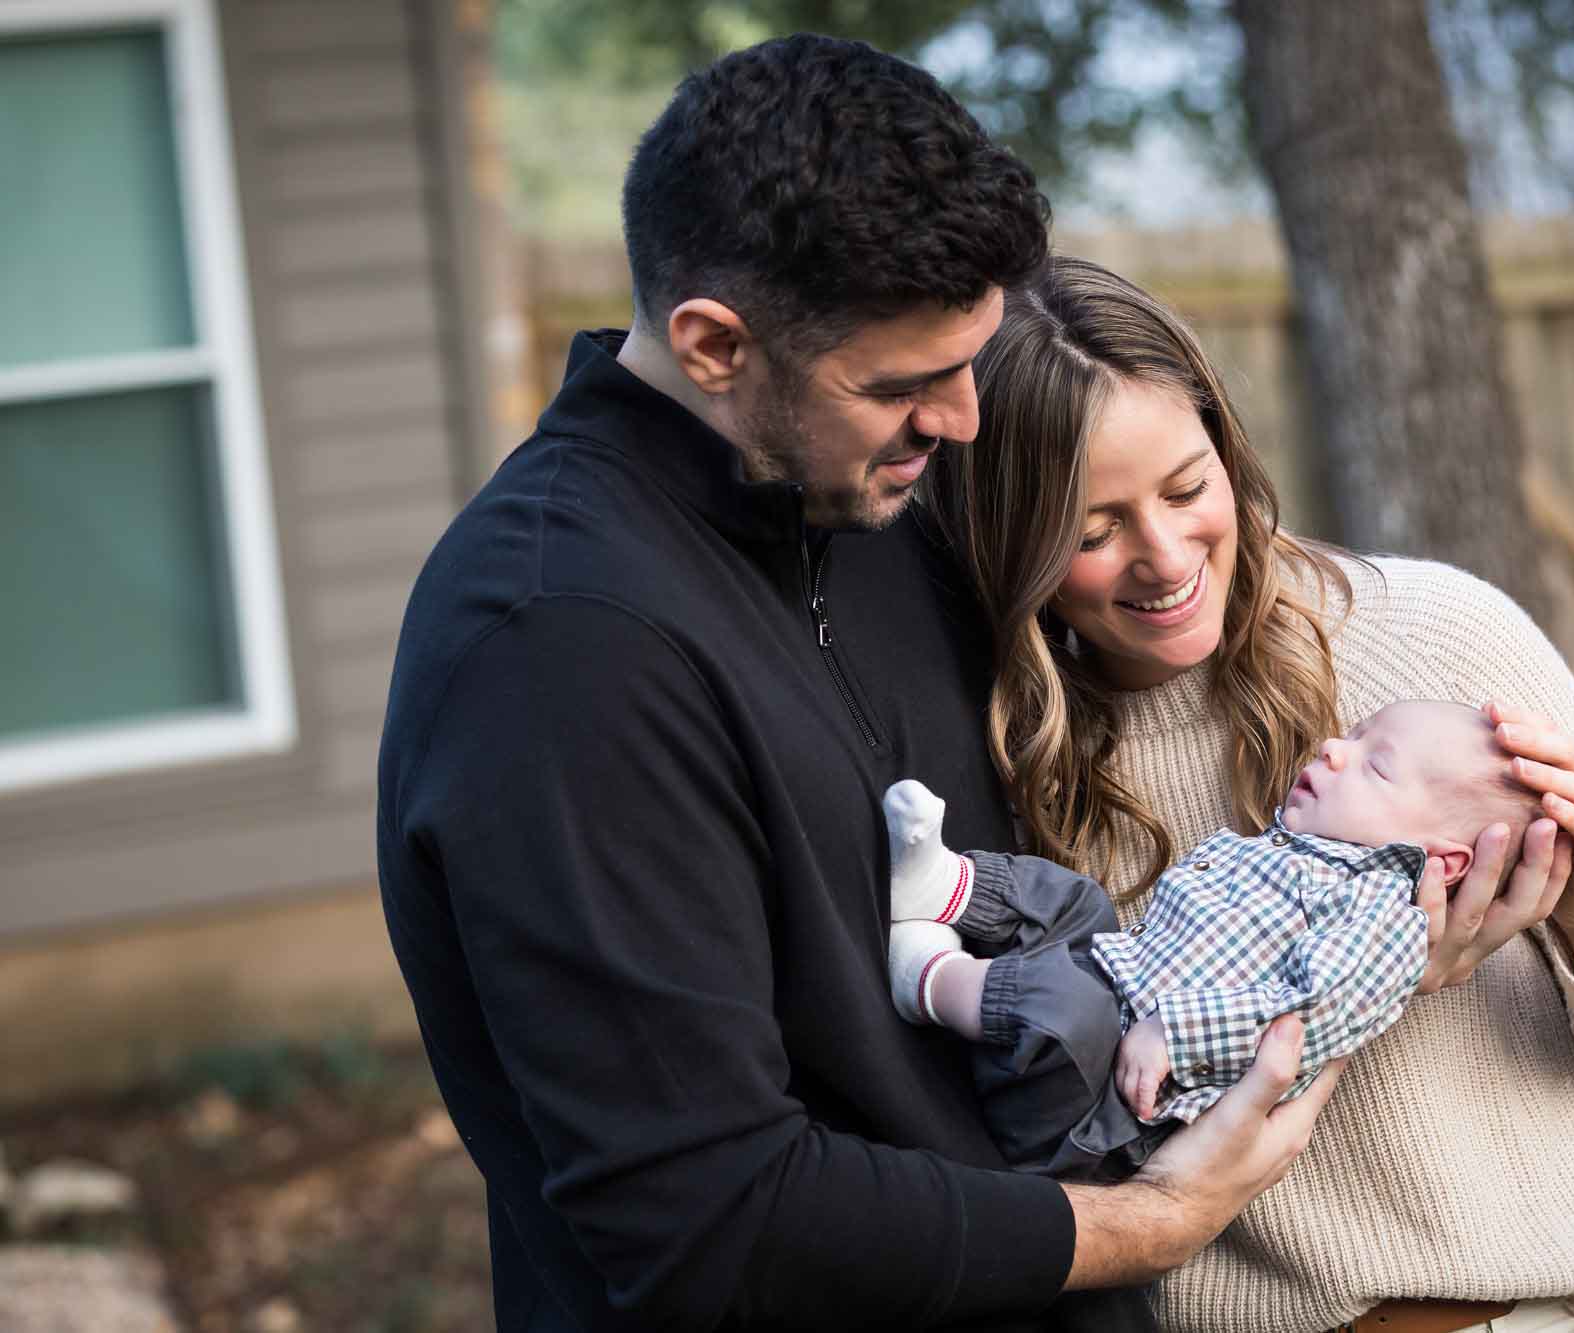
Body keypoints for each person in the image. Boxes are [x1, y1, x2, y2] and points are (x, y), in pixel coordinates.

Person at [377, 36, 1343, 1333]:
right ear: (714, 344)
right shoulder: (559, 651)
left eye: (970, 362)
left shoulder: (874, 491)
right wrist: (1153, 1222)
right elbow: (712, 1220)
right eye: (903, 384)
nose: (962, 422)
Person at [923, 256, 1574, 1333]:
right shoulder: (1006, 755)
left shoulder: (1434, 636)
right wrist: (1362, 990)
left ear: (1226, 448)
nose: (1164, 557)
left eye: (1184, 488)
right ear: (1009, 539)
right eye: (1091, 531)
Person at [880, 699, 1540, 1179]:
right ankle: (944, 886)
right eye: (1356, 734)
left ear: (1443, 862)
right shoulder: (1298, 850)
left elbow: (1306, 1010)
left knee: (1066, 1010)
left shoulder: (1384, 926)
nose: (1336, 748)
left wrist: (1177, 1032)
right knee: (1078, 900)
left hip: (1107, 1101)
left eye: (1378, 766)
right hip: (1114, 982)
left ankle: (930, 979)